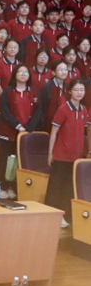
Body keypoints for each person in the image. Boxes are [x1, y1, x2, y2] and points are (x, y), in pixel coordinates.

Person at [47, 80, 87, 227]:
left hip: (76, 158)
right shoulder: (63, 109)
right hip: (61, 156)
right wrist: (50, 153)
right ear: (70, 91)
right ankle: (51, 216)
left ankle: (65, 215)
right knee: (56, 188)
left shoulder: (84, 110)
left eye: (82, 90)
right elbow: (54, 132)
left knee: (69, 188)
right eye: (76, 89)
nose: (79, 93)